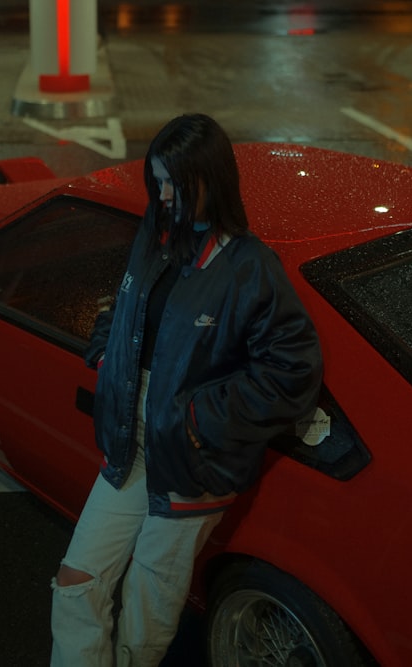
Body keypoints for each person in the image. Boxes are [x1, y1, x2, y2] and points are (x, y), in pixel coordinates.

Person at [50, 113, 323, 667]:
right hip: (131, 442)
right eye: (158, 182)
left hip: (191, 465)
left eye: (177, 183)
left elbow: (293, 372)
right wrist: (109, 352)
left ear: (213, 179)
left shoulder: (251, 268)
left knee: (144, 615)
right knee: (75, 582)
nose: (166, 195)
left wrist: (195, 420)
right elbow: (125, 305)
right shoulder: (157, 233)